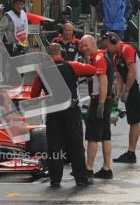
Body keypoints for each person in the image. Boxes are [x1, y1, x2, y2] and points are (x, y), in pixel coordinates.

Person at [31, 43, 96, 187]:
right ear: (62, 53)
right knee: (76, 144)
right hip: (71, 111)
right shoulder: (72, 66)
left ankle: (55, 179)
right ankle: (80, 178)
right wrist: (86, 58)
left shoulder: (42, 71)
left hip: (53, 112)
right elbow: (93, 70)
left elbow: (33, 94)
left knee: (54, 145)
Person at [101, 32, 140, 165]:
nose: (107, 50)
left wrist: (126, 90)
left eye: (107, 46)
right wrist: (117, 95)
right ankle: (131, 152)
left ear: (113, 41)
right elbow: (119, 77)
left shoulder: (126, 49)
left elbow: (133, 70)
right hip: (131, 88)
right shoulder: (116, 57)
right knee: (133, 120)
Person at [80, 35, 114, 179]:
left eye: (86, 45)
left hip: (100, 100)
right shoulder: (98, 57)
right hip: (106, 99)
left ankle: (88, 169)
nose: (84, 48)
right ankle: (107, 169)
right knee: (106, 134)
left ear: (94, 44)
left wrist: (100, 104)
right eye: (82, 46)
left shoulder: (99, 59)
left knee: (92, 135)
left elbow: (103, 82)